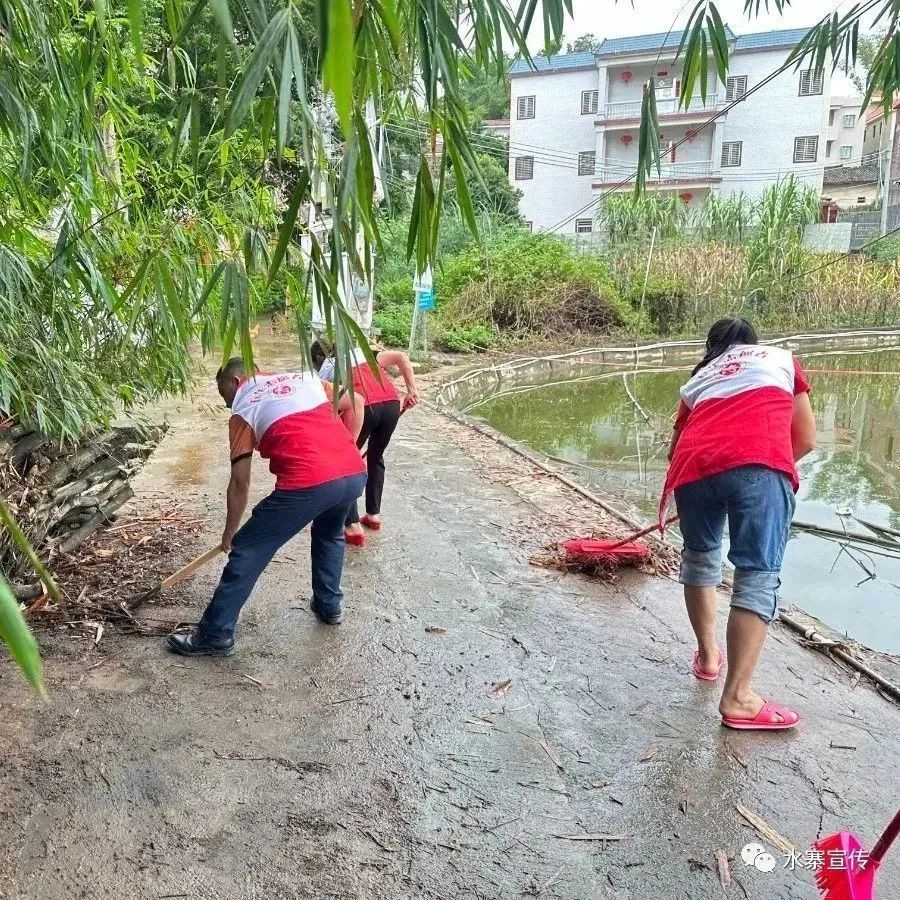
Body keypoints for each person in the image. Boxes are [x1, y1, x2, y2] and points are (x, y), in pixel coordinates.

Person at [662, 317, 816, 731]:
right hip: (758, 462)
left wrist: (710, 479)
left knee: (700, 557)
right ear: (752, 342)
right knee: (757, 574)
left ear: (712, 347)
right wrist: (761, 472)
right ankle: (738, 698)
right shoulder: (781, 359)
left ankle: (708, 658)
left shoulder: (701, 376)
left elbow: (675, 450)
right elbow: (804, 438)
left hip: (692, 470)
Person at [167, 358, 367, 657]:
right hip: (353, 472)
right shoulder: (306, 379)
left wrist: (231, 534)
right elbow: (357, 401)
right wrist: (345, 450)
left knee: (248, 548)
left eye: (225, 395)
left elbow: (240, 483)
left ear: (236, 382)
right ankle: (329, 605)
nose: (227, 404)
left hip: (308, 482)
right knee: (330, 533)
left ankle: (215, 634)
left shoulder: (243, 408)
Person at [311, 341, 419, 547]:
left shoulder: (325, 369)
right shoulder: (364, 354)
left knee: (347, 463)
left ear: (318, 357)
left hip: (364, 407)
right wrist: (412, 390)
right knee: (376, 457)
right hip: (391, 404)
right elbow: (401, 357)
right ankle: (373, 515)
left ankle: (352, 526)